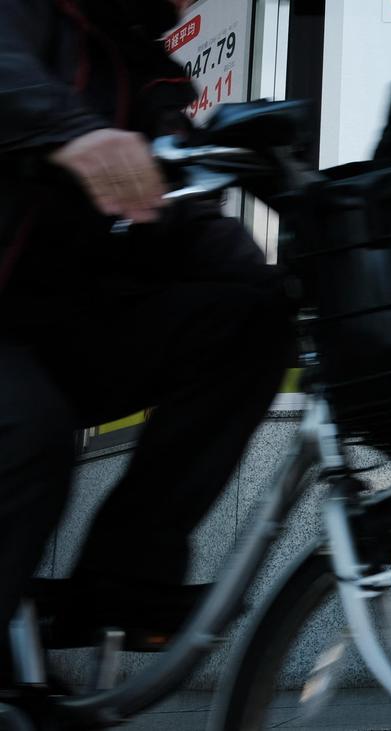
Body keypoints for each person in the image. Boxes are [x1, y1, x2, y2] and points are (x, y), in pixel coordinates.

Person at [0, 0, 294, 692]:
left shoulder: (139, 71)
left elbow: (181, 218)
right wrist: (73, 133)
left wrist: (303, 276)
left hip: (47, 328)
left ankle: (123, 582)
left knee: (250, 320)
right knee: (30, 431)